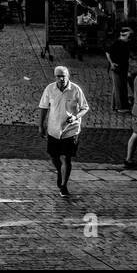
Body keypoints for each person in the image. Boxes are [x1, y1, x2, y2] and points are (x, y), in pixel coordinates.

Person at [38, 65, 89, 198]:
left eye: (63, 76)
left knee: (67, 157)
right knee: (54, 156)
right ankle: (60, 171)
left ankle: (64, 185)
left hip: (71, 130)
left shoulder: (76, 90)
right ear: (55, 77)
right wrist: (41, 125)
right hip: (53, 129)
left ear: (68, 76)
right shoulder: (50, 89)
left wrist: (76, 116)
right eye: (58, 76)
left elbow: (85, 108)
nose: (61, 79)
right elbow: (43, 107)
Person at [106, 26, 133, 113]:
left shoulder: (125, 44)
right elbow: (107, 52)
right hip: (117, 68)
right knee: (119, 87)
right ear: (123, 36)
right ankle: (121, 107)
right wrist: (111, 63)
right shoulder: (117, 43)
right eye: (129, 36)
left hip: (123, 67)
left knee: (118, 87)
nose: (130, 39)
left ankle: (114, 106)